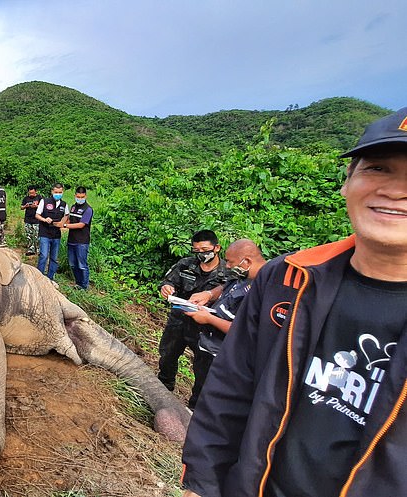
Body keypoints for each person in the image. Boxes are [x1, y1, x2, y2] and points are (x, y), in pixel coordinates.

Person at [181, 108, 407, 497]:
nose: (395, 190)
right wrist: (201, 484)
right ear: (347, 182)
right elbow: (231, 390)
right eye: (379, 168)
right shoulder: (287, 278)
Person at [183, 239, 267, 407]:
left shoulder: (267, 287)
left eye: (230, 262)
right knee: (199, 393)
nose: (227, 266)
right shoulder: (244, 274)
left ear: (247, 261)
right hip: (208, 347)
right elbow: (227, 287)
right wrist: (208, 294)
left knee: (212, 402)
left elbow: (245, 331)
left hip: (225, 357)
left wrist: (208, 319)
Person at [157, 230, 228, 401]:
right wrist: (166, 288)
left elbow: (233, 294)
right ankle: (162, 392)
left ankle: (195, 405)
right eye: (196, 251)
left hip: (206, 328)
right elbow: (167, 282)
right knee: (167, 356)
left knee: (203, 368)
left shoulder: (228, 272)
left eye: (205, 250)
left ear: (216, 248)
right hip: (178, 322)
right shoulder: (185, 264)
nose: (201, 254)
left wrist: (210, 295)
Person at [35, 183, 69, 280]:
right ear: (52, 192)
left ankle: (50, 278)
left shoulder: (64, 204)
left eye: (60, 192)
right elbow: (37, 215)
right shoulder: (44, 201)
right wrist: (45, 219)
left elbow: (67, 215)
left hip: (56, 235)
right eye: (56, 192)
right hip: (45, 233)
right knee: (44, 256)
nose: (58, 194)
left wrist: (62, 222)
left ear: (62, 192)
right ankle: (39, 277)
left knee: (54, 258)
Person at [64, 186, 94, 289]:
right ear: (75, 195)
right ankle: (78, 283)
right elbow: (69, 220)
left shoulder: (88, 209)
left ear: (85, 196)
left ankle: (84, 286)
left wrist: (65, 226)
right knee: (73, 264)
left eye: (82, 197)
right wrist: (62, 223)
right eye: (78, 196)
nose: (80, 198)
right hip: (71, 240)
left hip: (82, 242)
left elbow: (81, 225)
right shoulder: (73, 207)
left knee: (82, 265)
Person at [20, 185, 43, 256]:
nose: (31, 194)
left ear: (36, 191)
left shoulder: (40, 198)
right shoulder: (26, 198)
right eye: (30, 193)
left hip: (37, 220)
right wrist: (25, 206)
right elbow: (21, 207)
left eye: (32, 193)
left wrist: (37, 206)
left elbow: (43, 207)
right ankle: (31, 249)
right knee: (29, 235)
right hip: (28, 219)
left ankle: (39, 250)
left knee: (37, 236)